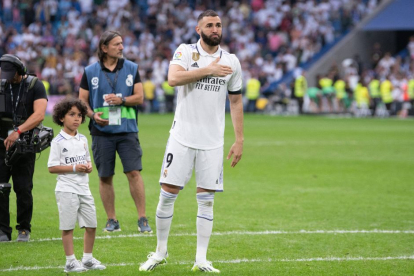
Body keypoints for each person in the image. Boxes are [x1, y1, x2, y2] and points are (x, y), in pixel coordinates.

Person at [139, 10, 244, 273]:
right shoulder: (185, 52)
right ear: (199, 29)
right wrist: (208, 70)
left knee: (206, 199)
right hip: (182, 137)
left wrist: (239, 139)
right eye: (209, 25)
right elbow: (173, 79)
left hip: (213, 142)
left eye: (218, 25)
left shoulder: (231, 61)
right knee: (167, 195)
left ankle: (201, 259)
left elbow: (235, 100)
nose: (215, 29)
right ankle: (160, 251)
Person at [78, 30, 152, 233]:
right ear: (104, 48)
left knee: (134, 173)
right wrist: (93, 116)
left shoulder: (131, 68)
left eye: (122, 43)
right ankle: (112, 220)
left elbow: (140, 97)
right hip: (101, 131)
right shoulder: (90, 71)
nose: (121, 47)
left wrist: (122, 100)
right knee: (104, 177)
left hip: (127, 130)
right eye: (117, 44)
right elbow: (82, 101)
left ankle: (142, 218)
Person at [48, 98, 106, 273]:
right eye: (71, 114)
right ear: (61, 118)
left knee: (92, 225)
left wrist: (88, 167)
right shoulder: (57, 141)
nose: (76, 119)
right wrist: (74, 168)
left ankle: (87, 259)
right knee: (68, 227)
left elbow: (87, 161)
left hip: (84, 188)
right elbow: (52, 167)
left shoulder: (82, 139)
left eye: (79, 115)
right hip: (66, 189)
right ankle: (70, 261)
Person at [0, 54, 47, 242]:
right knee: (1, 188)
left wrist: (17, 131)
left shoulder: (35, 85)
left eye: (11, 73)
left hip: (24, 143)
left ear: (21, 71)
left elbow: (40, 114)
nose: (7, 77)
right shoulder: (1, 84)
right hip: (2, 143)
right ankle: (3, 230)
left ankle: (24, 228)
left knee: (23, 188)